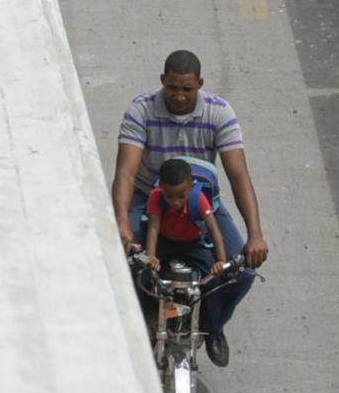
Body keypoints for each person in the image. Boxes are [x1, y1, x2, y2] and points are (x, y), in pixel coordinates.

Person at [111, 49, 270, 367]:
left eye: (187, 89)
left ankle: (213, 326)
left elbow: (238, 175)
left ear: (200, 84)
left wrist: (255, 234)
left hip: (202, 203)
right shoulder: (140, 110)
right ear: (162, 82)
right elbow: (126, 172)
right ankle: (142, 318)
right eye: (172, 88)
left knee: (243, 272)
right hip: (149, 198)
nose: (180, 96)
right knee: (122, 264)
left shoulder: (219, 113)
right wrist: (122, 225)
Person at [139, 155, 231, 292]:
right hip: (165, 242)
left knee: (214, 279)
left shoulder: (198, 199)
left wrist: (221, 261)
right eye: (169, 196)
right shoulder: (156, 196)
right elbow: (153, 228)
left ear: (191, 187)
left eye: (182, 196)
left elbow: (214, 231)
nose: (176, 202)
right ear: (161, 187)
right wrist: (151, 256)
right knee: (143, 274)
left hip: (193, 245)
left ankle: (209, 314)